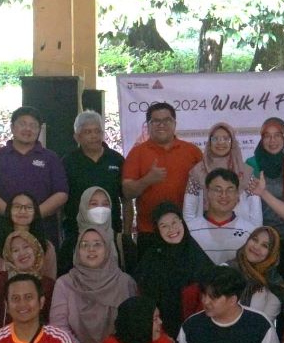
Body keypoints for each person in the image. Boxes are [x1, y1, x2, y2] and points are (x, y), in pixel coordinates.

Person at [50, 226, 137, 343]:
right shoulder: (64, 284)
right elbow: (58, 327)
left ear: (108, 249)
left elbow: (132, 327)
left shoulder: (125, 282)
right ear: (77, 250)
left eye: (97, 244)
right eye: (84, 245)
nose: (91, 250)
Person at [0, 105, 69, 251]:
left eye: (33, 126)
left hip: (43, 231)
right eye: (23, 124)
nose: (28, 129)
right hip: (3, 230)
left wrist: (33, 215)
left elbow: (61, 193)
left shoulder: (51, 158)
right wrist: (13, 215)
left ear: (40, 130)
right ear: (12, 127)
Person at [123, 102, 204, 249]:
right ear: (148, 125)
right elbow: (127, 192)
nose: (162, 125)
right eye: (156, 121)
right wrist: (147, 180)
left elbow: (206, 188)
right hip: (149, 231)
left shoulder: (192, 152)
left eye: (167, 120)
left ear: (174, 123)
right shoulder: (137, 153)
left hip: (188, 229)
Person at [133, 203, 215, 335]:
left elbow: (212, 293)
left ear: (182, 223)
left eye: (174, 222)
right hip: (161, 334)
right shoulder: (150, 260)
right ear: (157, 230)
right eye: (164, 226)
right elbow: (145, 302)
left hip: (198, 331)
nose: (171, 229)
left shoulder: (195, 254)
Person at [247, 116, 284, 284]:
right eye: (267, 136)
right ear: (261, 138)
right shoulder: (251, 164)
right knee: (259, 287)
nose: (272, 140)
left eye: (277, 135)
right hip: (260, 240)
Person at [64, 110, 124, 259]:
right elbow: (61, 200)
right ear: (77, 136)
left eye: (98, 131)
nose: (94, 136)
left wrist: (126, 233)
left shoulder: (116, 159)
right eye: (88, 132)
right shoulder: (68, 162)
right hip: (76, 232)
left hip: (111, 230)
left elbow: (126, 199)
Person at [0, 229, 54, 337]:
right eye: (15, 250)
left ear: (36, 249)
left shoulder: (49, 285)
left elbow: (53, 323)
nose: (22, 253)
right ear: (9, 256)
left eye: (26, 247)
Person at [182, 121, 261, 226]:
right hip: (205, 230)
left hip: (240, 232)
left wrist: (254, 234)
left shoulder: (244, 170)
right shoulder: (198, 171)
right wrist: (192, 234)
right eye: (215, 139)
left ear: (232, 142)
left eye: (226, 139)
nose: (220, 142)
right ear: (209, 142)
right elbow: (189, 209)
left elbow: (255, 208)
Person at [184, 168, 258, 264]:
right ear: (207, 193)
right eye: (217, 190)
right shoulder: (189, 230)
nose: (224, 195)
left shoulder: (250, 232)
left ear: (237, 195)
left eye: (230, 190)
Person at [0, 191, 58, 282]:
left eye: (29, 207)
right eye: (17, 207)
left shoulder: (47, 247)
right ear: (9, 211)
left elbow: (50, 284)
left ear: (35, 212)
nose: (23, 211)